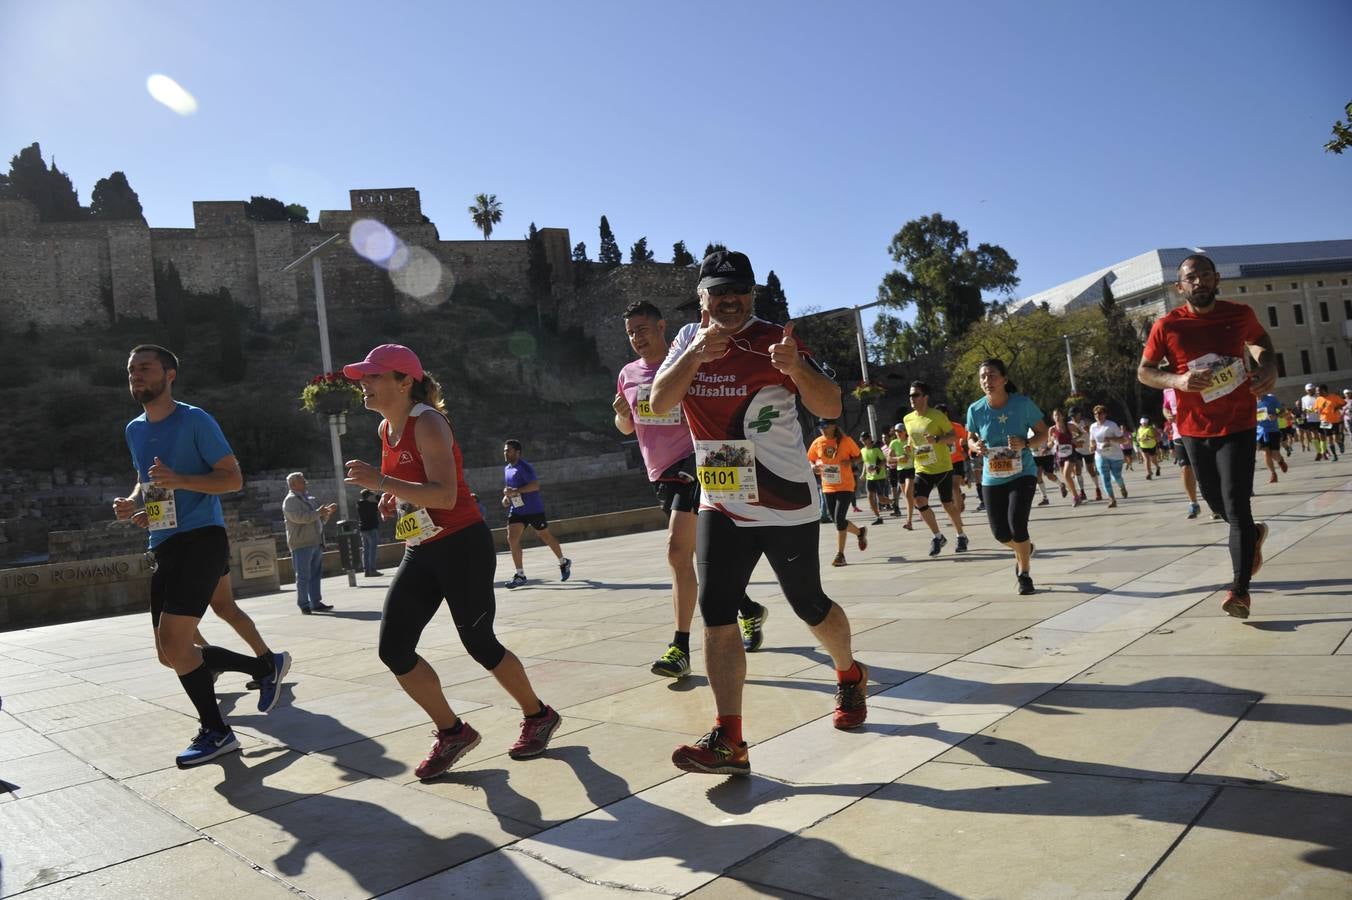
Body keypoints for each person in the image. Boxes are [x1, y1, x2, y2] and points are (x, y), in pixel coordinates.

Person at [650, 249, 869, 776]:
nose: (729, 301)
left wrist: (796, 368)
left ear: (752, 294)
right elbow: (659, 403)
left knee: (808, 604)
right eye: (718, 292)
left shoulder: (777, 340)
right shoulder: (686, 340)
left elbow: (832, 407)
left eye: (739, 292)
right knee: (717, 613)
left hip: (783, 499)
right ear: (701, 296)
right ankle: (730, 739)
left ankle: (848, 674)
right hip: (720, 501)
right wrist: (695, 356)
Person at [342, 343, 560, 777]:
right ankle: (452, 731)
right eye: (363, 377)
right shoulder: (387, 428)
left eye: (373, 376)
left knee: (480, 643)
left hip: (462, 545)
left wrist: (382, 480)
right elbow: (414, 486)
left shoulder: (429, 423)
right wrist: (392, 496)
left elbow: (444, 494)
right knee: (394, 649)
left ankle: (538, 715)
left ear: (405, 382)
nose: (363, 384)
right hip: (421, 549)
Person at [113, 344, 289, 768]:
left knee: (180, 640)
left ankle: (218, 731)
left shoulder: (195, 420)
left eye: (146, 368)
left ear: (169, 375)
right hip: (163, 541)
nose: (137, 376)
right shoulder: (134, 429)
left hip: (201, 538)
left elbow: (231, 479)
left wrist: (182, 480)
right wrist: (136, 504)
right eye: (132, 370)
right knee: (168, 652)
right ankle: (262, 667)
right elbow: (146, 479)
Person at [613, 300, 769, 677]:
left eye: (643, 329)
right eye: (631, 332)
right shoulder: (627, 373)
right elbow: (628, 428)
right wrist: (620, 414)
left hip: (695, 463)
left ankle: (679, 647)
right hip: (660, 473)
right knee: (698, 555)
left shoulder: (686, 360)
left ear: (662, 326)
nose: (637, 338)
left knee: (676, 552)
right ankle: (747, 608)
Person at [1138, 254, 1276, 619]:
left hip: (1239, 422)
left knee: (1236, 504)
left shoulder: (1239, 314)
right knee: (1218, 506)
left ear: (1216, 279)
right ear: (1179, 287)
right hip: (1194, 429)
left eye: (1204, 275)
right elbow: (1145, 372)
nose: (1198, 282)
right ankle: (1253, 537)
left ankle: (1240, 591)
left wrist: (1267, 367)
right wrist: (1177, 380)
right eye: (1190, 278)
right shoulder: (1168, 326)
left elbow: (1261, 340)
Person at [965, 358, 1047, 595]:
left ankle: (1024, 574)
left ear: (1004, 379)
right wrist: (975, 446)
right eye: (983, 376)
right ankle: (1025, 549)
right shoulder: (976, 409)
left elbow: (1044, 432)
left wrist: (1026, 443)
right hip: (993, 476)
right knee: (1001, 533)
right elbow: (970, 438)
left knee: (1017, 525)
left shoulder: (1022, 404)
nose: (986, 380)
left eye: (991, 375)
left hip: (1023, 472)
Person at [904, 383, 970, 556]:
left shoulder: (937, 416)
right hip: (922, 467)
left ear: (925, 397)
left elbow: (953, 437)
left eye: (916, 395)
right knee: (919, 500)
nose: (912, 398)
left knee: (947, 504)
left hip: (942, 468)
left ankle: (961, 535)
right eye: (910, 395)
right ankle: (937, 536)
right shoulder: (908, 419)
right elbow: (913, 440)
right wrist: (909, 448)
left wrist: (937, 439)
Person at [501, 440, 572, 587]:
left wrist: (516, 492)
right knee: (511, 538)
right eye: (505, 450)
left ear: (517, 452)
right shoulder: (507, 469)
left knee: (544, 536)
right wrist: (507, 497)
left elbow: (534, 485)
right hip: (517, 510)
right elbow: (511, 488)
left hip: (533, 509)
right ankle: (520, 575)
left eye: (509, 450)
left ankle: (563, 562)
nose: (505, 453)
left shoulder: (525, 467)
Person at [807, 422, 868, 566]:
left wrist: (850, 462)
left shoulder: (846, 441)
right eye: (819, 426)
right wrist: (813, 466)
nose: (822, 428)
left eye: (825, 425)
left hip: (845, 485)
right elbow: (810, 458)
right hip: (828, 486)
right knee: (835, 519)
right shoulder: (817, 442)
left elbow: (859, 457)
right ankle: (860, 532)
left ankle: (840, 555)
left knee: (839, 518)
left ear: (834, 425)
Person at [283, 472, 336, 613]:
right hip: (301, 543)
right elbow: (300, 518)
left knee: (315, 574)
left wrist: (326, 514)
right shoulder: (290, 500)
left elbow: (317, 520)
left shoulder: (308, 498)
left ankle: (315, 602)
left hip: (315, 542)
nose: (305, 482)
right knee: (303, 576)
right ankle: (304, 604)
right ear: (293, 484)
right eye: (302, 481)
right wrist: (319, 513)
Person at [1162, 387, 1202, 518]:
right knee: (1185, 467)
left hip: (1197, 432)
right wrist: (1167, 413)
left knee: (1203, 469)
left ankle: (1215, 503)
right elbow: (1165, 406)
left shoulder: (1190, 384)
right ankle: (1193, 503)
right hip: (1178, 434)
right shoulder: (1167, 389)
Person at [1089, 405, 1128, 507]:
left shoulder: (1111, 425)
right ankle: (1112, 499)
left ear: (1105, 414)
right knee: (1104, 478)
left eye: (1100, 413)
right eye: (1096, 414)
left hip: (1115, 455)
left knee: (1116, 476)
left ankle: (1122, 486)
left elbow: (1123, 440)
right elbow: (1092, 440)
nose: (1098, 415)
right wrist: (1092, 446)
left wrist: (1110, 439)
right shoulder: (1093, 427)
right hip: (1100, 455)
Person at [1069, 408, 1103, 502]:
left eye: (1074, 415)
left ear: (1079, 414)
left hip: (1088, 449)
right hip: (1077, 449)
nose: (1073, 417)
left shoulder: (1087, 422)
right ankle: (1082, 492)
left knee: (1090, 470)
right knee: (1077, 470)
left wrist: (1089, 431)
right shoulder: (1069, 425)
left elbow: (1097, 431)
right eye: (1071, 416)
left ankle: (1097, 489)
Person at [859, 431, 890, 525]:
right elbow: (865, 463)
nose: (863, 441)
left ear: (869, 439)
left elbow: (884, 460)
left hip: (879, 476)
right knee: (870, 497)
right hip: (870, 477)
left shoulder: (876, 449)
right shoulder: (863, 450)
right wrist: (863, 473)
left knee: (880, 499)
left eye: (865, 439)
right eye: (862, 439)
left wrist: (876, 467)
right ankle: (878, 517)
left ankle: (893, 502)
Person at [1256, 393, 1288, 483]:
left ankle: (1280, 461)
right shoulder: (1250, 401)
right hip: (1260, 432)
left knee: (1274, 454)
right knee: (1266, 453)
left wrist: (1276, 416)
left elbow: (1283, 411)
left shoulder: (1271, 398)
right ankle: (1273, 474)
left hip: (1273, 430)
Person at [1049, 408, 1077, 501]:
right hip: (1059, 456)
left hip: (1070, 454)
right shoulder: (1052, 429)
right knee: (1066, 477)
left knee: (1066, 475)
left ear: (1062, 416)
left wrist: (1074, 439)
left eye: (1058, 415)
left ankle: (1076, 497)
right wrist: (1052, 440)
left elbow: (1080, 433)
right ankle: (1075, 495)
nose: (1056, 417)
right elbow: (1049, 444)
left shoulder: (1069, 426)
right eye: (1055, 415)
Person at [1314, 384, 1346, 461]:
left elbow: (1344, 403)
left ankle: (1340, 443)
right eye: (1316, 391)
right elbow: (1315, 410)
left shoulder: (1334, 397)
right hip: (1324, 421)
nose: (1317, 392)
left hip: (1335, 420)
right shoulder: (1318, 399)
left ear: (1324, 390)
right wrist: (1319, 409)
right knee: (1329, 439)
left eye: (1318, 391)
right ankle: (1335, 456)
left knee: (1336, 439)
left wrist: (1337, 407)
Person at [357, 489, 383, 577]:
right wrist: (376, 495)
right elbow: (381, 503)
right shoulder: (372, 505)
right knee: (373, 550)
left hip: (363, 529)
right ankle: (372, 569)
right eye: (371, 495)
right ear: (369, 496)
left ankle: (366, 570)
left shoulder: (359, 505)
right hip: (372, 529)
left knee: (366, 550)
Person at [1298, 383, 1319, 454]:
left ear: (1314, 389)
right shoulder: (1303, 398)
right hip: (1310, 419)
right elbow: (1303, 409)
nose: (1310, 391)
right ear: (1306, 390)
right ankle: (1319, 451)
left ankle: (1324, 450)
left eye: (1311, 389)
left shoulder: (1318, 397)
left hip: (1321, 418)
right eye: (1308, 390)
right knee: (1314, 435)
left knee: (1322, 436)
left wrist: (1318, 410)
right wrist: (1309, 411)